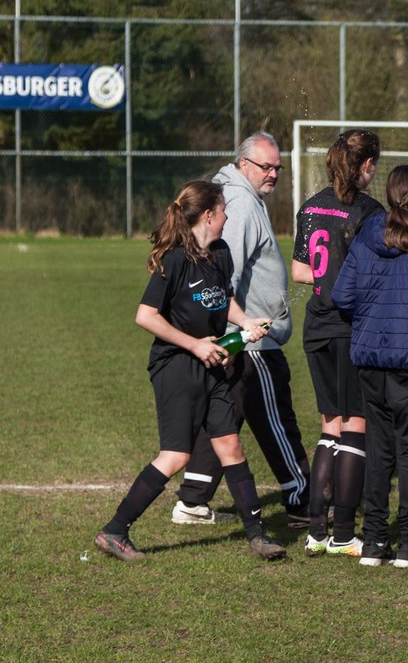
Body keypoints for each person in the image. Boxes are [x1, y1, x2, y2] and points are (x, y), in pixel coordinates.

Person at [93, 180, 283, 562]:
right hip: (176, 366)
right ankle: (115, 530)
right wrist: (195, 344)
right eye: (224, 210)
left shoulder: (221, 252)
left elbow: (222, 300)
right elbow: (145, 316)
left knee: (230, 445)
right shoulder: (175, 260)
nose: (228, 216)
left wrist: (244, 325)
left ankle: (258, 537)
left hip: (212, 363)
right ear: (209, 215)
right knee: (176, 455)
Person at [170, 132, 312, 529]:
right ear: (243, 164)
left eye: (278, 168)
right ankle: (302, 499)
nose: (273, 174)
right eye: (266, 167)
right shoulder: (242, 204)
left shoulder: (242, 196)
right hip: (252, 340)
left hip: (245, 335)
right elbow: (221, 272)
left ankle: (193, 500)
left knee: (224, 417)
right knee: (276, 418)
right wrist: (235, 329)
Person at [332, 165, 408, 567]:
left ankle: (373, 541)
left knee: (380, 450)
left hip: (371, 358)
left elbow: (342, 296)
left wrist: (371, 323)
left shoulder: (366, 238)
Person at [292, 129, 385, 558]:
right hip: (352, 329)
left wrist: (327, 279)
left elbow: (299, 270)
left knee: (330, 426)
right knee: (356, 426)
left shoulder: (309, 208)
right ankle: (344, 533)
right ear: (367, 166)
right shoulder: (368, 211)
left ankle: (315, 530)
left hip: (316, 328)